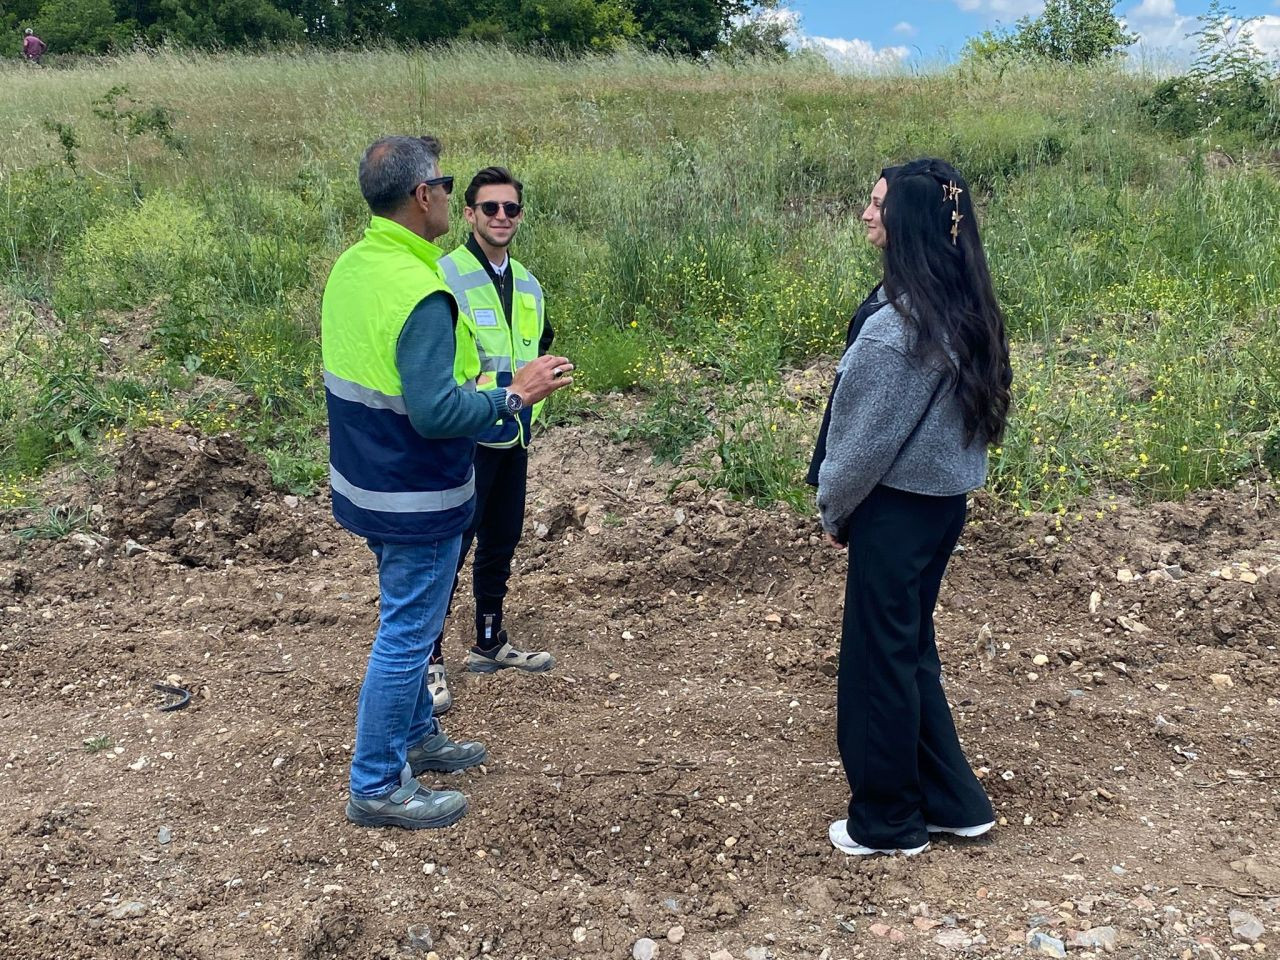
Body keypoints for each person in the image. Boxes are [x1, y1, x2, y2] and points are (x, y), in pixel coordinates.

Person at [321, 135, 573, 829]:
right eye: (446, 183)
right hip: (416, 488)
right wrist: (514, 396)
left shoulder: (355, 266)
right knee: (407, 633)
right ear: (425, 196)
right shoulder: (423, 288)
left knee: (412, 618)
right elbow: (436, 411)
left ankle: (415, 739)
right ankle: (376, 782)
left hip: (368, 479)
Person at [816, 157, 1013, 857]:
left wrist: (833, 510)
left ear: (909, 221)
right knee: (909, 651)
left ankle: (889, 821)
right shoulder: (962, 308)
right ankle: (954, 802)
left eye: (878, 204)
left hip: (894, 512)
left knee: (877, 664)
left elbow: (860, 445)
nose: (867, 214)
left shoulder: (896, 329)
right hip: (939, 508)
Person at [427, 166, 556, 713]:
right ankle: (427, 659)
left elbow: (532, 349)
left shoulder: (527, 282)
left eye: (511, 209)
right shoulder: (444, 274)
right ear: (470, 214)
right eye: (490, 208)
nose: (502, 217)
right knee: (450, 550)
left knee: (500, 542)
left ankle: (489, 640)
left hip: (515, 434)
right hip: (464, 436)